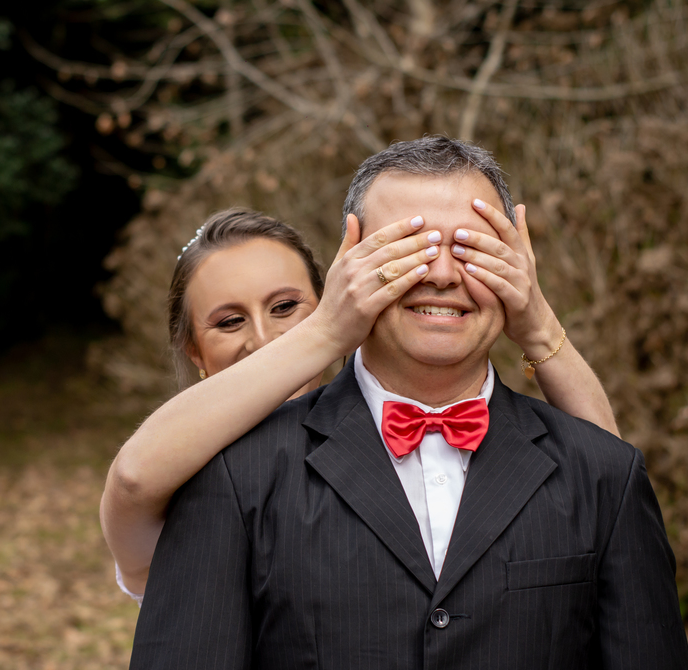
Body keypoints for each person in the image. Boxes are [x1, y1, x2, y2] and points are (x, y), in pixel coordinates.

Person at [117, 135, 688, 670]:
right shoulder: (230, 480)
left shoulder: (603, 477)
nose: (443, 275)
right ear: (353, 265)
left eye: (470, 248)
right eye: (411, 249)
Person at [102, 199, 618, 603]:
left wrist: (536, 324)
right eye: (229, 321)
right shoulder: (187, 479)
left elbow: (608, 483)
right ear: (194, 349)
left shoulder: (398, 427)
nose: (263, 339)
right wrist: (324, 333)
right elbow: (131, 479)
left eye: (285, 307)